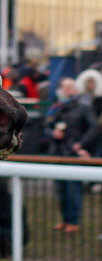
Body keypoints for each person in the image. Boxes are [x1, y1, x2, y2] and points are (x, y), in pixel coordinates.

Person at [45, 77, 97, 233]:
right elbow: (46, 127)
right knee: (61, 189)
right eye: (65, 87)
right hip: (58, 152)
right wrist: (53, 133)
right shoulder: (57, 107)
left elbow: (93, 128)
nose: (68, 90)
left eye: (70, 87)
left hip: (73, 153)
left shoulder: (83, 107)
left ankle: (74, 220)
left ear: (75, 89)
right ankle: (65, 220)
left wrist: (81, 144)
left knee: (73, 189)